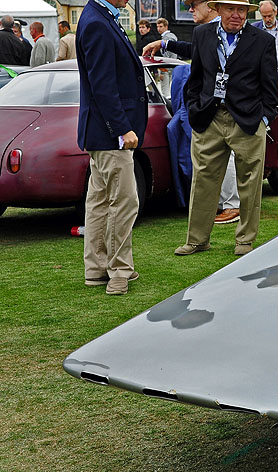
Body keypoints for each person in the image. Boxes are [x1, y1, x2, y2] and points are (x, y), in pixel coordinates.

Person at [175, 0, 278, 256]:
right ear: (218, 10)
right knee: (203, 181)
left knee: (250, 183)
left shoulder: (262, 41)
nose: (236, 15)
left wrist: (264, 120)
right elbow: (196, 77)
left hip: (247, 121)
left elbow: (270, 86)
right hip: (209, 118)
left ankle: (244, 240)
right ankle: (197, 239)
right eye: (230, 9)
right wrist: (194, 109)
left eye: (241, 10)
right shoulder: (202, 34)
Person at [76, 0, 147, 295]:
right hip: (110, 134)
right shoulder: (96, 21)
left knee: (101, 201)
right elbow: (102, 85)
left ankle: (96, 268)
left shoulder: (100, 16)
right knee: (123, 201)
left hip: (101, 132)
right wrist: (122, 128)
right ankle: (118, 270)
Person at [157, 0, 241, 225]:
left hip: (224, 101)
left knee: (227, 152)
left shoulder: (222, 28)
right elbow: (196, 51)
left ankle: (232, 205)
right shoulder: (208, 29)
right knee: (214, 153)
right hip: (211, 101)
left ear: (211, 6)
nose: (190, 10)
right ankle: (224, 203)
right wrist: (165, 45)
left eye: (193, 4)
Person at [252, 0, 278, 103]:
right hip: (259, 76)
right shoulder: (254, 28)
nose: (267, 19)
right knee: (260, 106)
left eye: (270, 16)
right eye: (264, 16)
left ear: (275, 12)